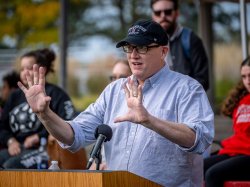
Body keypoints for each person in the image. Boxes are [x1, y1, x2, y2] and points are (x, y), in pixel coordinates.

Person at [17, 20, 214, 186]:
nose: (133, 55)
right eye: (129, 48)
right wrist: (45, 114)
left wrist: (150, 120)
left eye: (143, 48)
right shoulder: (114, 89)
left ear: (163, 52)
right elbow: (73, 135)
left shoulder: (187, 88)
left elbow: (200, 139)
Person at [0, 48, 76, 169]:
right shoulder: (14, 96)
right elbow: (2, 126)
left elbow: (71, 123)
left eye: (29, 68)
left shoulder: (57, 94)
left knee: (11, 166)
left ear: (42, 70)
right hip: (16, 148)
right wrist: (10, 141)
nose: (25, 72)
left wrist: (40, 136)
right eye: (22, 69)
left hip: (44, 150)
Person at [204, 57, 250, 187]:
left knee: (212, 174)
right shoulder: (242, 99)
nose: (248, 81)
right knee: (194, 169)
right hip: (235, 151)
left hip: (247, 155)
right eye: (244, 77)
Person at [151, 0, 209, 91]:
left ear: (177, 13)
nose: (163, 16)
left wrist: (179, 94)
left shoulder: (190, 39)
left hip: (185, 102)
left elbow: (203, 80)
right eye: (158, 13)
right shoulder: (148, 42)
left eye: (168, 12)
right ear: (153, 16)